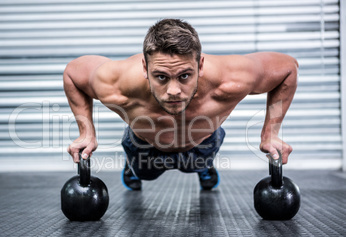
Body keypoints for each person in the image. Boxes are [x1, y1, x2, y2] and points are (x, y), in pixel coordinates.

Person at [64, 18, 298, 191]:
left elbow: (288, 68)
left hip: (202, 144)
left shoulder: (231, 79)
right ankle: (131, 167)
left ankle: (204, 166)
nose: (173, 91)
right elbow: (73, 74)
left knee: (199, 160)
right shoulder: (116, 82)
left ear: (201, 65)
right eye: (162, 77)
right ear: (145, 68)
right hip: (144, 148)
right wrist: (86, 133)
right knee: (143, 174)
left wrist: (271, 133)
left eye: (185, 75)